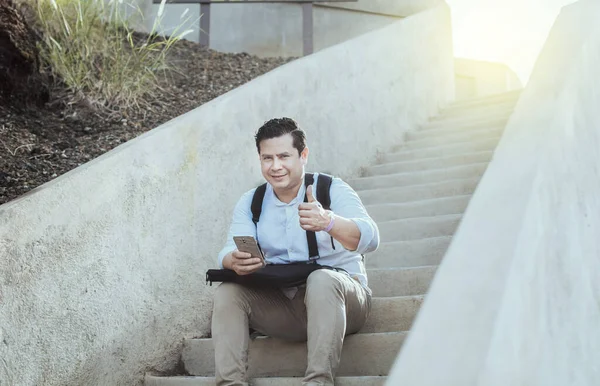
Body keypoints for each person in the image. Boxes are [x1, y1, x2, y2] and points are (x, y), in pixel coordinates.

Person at [212, 117, 380, 386]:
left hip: (343, 302)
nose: (275, 166)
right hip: (286, 307)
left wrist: (330, 222)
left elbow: (371, 239)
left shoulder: (330, 188)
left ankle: (317, 382)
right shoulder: (251, 201)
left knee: (322, 279)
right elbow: (228, 249)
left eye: (284, 156)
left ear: (303, 155)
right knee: (228, 292)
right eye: (267, 158)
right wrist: (234, 260)